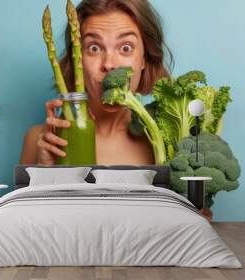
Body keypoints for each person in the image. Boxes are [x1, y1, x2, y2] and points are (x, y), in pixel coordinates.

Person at [20, 0, 172, 165]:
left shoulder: (166, 141)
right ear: (78, 60)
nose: (109, 64)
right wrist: (44, 171)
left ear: (145, 58)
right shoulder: (39, 141)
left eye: (126, 48)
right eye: (94, 48)